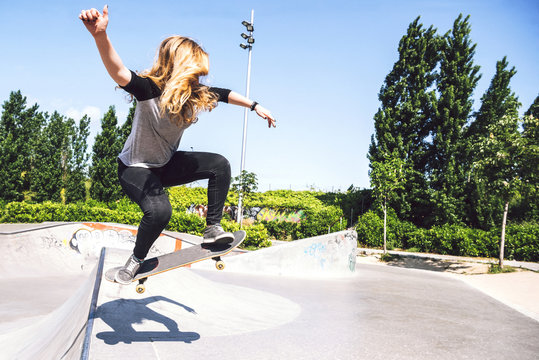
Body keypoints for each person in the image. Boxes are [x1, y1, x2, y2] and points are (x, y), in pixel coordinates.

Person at [79, 5, 276, 284]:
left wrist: (255, 105)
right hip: (135, 168)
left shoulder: (194, 94)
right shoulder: (148, 88)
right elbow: (119, 71)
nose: (201, 80)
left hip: (166, 164)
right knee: (160, 212)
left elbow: (225, 94)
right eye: (197, 73)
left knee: (219, 165)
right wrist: (100, 36)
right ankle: (136, 260)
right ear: (183, 67)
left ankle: (212, 228)